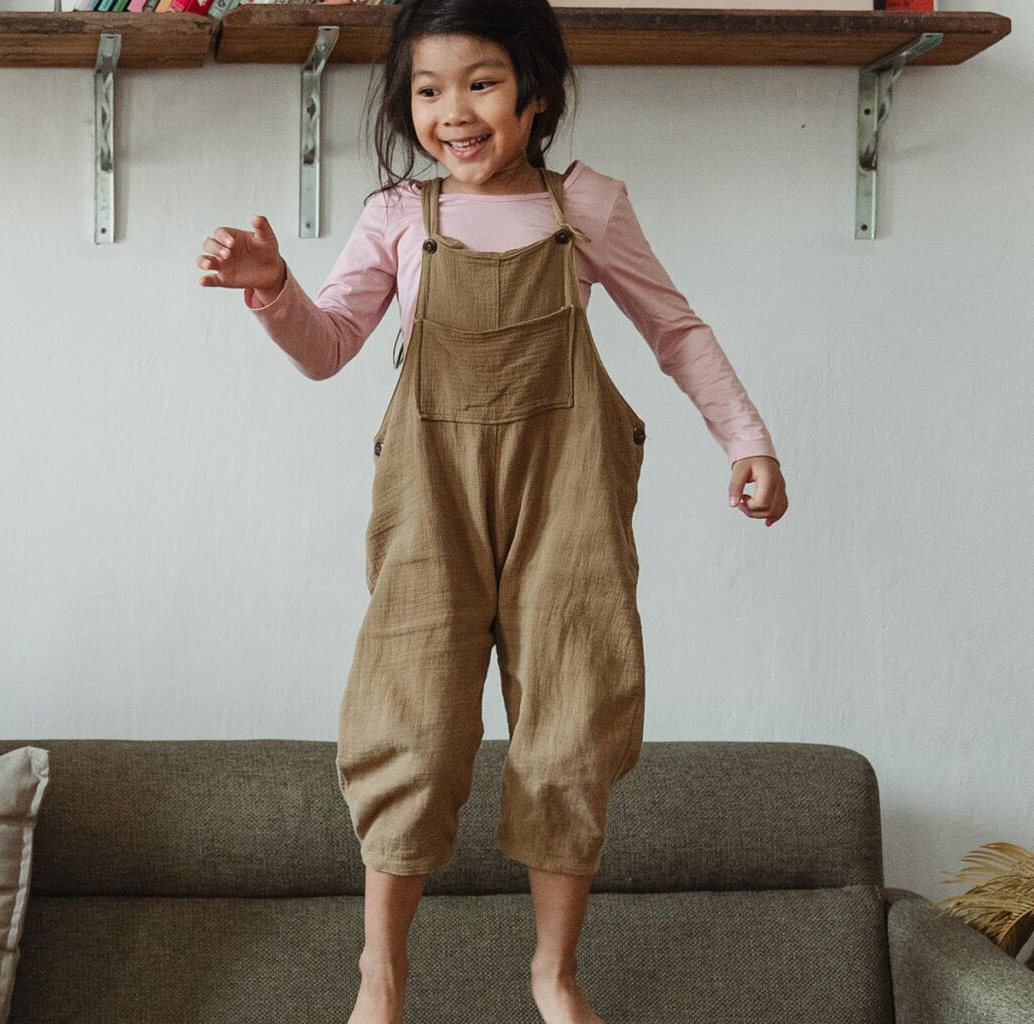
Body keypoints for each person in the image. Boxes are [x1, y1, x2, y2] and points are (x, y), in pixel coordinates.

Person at [195, 0, 788, 1021]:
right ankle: (380, 975)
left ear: (534, 93)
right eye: (427, 90)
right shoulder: (397, 215)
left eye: (480, 83)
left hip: (568, 502)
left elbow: (674, 329)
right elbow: (330, 345)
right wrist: (274, 290)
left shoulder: (585, 207)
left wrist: (749, 439)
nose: (452, 111)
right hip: (430, 504)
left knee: (568, 728)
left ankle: (553, 973)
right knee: (412, 728)